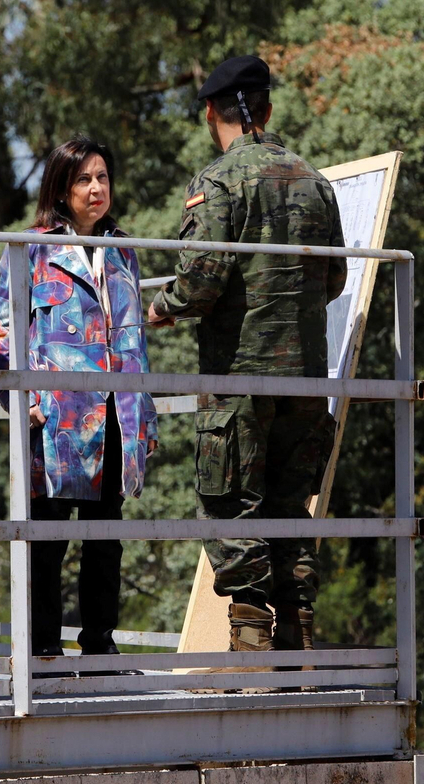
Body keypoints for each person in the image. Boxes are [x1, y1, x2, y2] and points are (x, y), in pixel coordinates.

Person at [147, 55, 347, 657]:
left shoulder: (218, 181)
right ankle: (298, 638)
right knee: (291, 505)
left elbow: (199, 282)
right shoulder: (316, 181)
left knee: (234, 501)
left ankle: (252, 641)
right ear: (266, 107)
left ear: (214, 112)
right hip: (306, 382)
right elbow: (334, 279)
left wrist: (159, 308)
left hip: (240, 379)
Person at [0, 137, 157, 664]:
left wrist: (144, 414)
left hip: (114, 410)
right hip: (55, 416)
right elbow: (5, 330)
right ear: (62, 188)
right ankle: (42, 644)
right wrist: (20, 399)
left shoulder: (123, 249)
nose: (96, 188)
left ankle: (99, 644)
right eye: (84, 179)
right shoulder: (31, 247)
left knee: (106, 534)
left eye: (103, 177)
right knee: (47, 535)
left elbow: (135, 338)